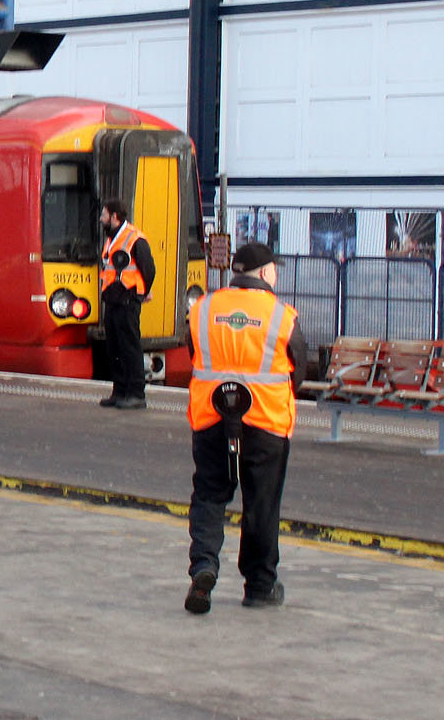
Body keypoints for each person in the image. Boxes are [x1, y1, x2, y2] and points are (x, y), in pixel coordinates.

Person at [183, 241, 308, 614]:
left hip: (211, 417)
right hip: (265, 423)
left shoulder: (203, 309)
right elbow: (298, 368)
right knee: (261, 503)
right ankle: (259, 586)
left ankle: (203, 566)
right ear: (267, 272)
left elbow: (194, 354)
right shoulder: (281, 316)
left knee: (209, 495)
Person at [97, 198, 155, 409]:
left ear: (114, 217)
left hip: (127, 300)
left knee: (130, 346)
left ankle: (136, 393)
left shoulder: (134, 238)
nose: (101, 218)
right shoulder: (112, 239)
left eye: (104, 215)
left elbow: (148, 268)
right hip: (112, 300)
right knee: (114, 348)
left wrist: (143, 292)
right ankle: (120, 391)